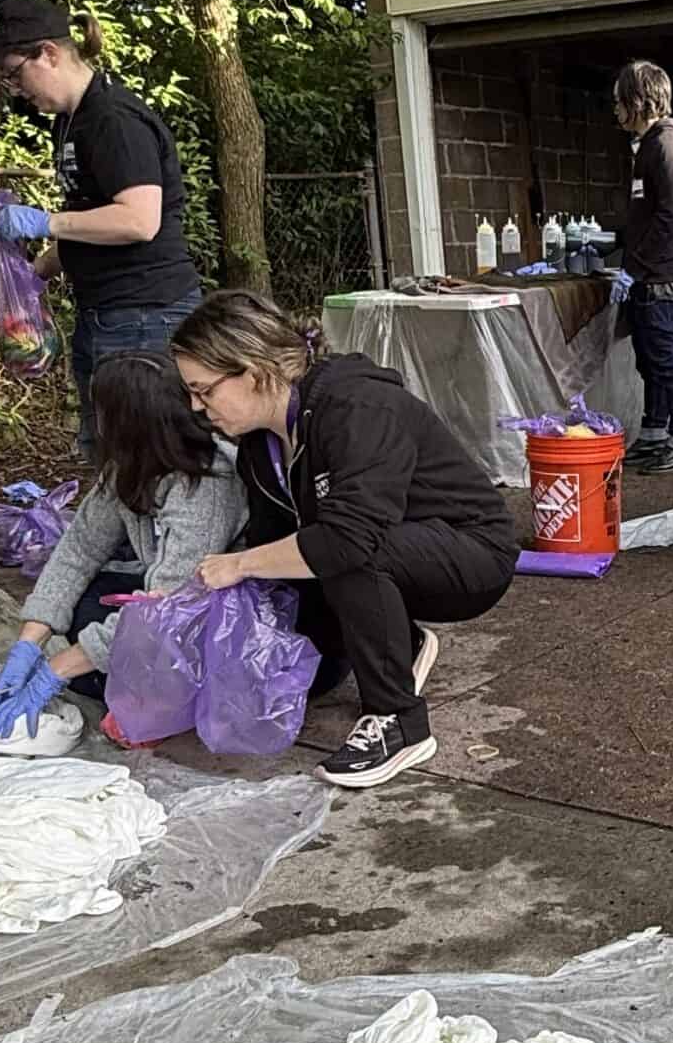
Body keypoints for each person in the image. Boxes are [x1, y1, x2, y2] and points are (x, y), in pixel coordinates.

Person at [173, 292, 517, 790]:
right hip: (387, 553)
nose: (195, 406)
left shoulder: (358, 405)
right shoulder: (257, 447)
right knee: (301, 577)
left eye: (204, 391)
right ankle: (401, 642)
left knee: (344, 545)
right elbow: (277, 544)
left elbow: (349, 539)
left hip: (472, 554)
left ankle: (399, 721)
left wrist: (241, 564)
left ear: (252, 371)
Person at [0, 354, 248, 738]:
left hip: (217, 619)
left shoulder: (207, 485)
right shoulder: (131, 467)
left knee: (93, 665)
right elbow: (79, 549)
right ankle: (148, 692)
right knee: (86, 608)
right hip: (168, 601)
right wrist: (28, 643)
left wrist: (55, 671)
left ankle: (178, 698)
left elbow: (171, 605)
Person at [0, 0, 202, 456]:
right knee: (105, 452)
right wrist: (34, 276)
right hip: (104, 313)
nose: (15, 88)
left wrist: (45, 221)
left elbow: (139, 220)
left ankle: (167, 532)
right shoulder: (70, 123)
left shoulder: (113, 120)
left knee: (146, 458)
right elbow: (91, 218)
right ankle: (117, 532)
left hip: (145, 314)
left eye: (14, 73)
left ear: (49, 53)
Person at [613, 60, 673, 474]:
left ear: (638, 101)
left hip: (658, 275)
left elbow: (669, 216)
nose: (615, 109)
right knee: (648, 359)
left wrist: (638, 265)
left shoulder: (667, 146)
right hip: (643, 272)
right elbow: (645, 212)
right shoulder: (647, 145)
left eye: (619, 101)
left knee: (668, 361)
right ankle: (654, 433)